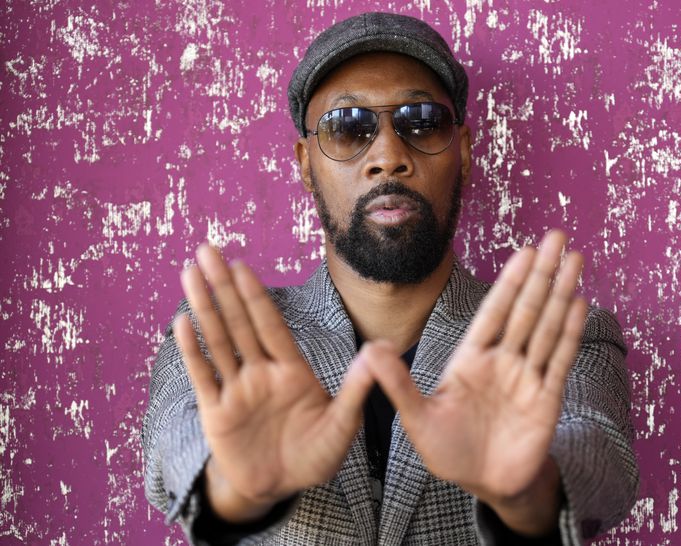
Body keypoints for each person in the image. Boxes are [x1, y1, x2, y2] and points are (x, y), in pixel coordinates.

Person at [141, 11, 639, 546]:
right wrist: (238, 489)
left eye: (421, 121)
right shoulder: (221, 337)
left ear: (464, 150)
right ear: (305, 165)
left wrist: (525, 491)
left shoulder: (557, 334)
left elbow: (600, 461)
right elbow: (177, 451)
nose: (387, 156)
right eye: (347, 127)